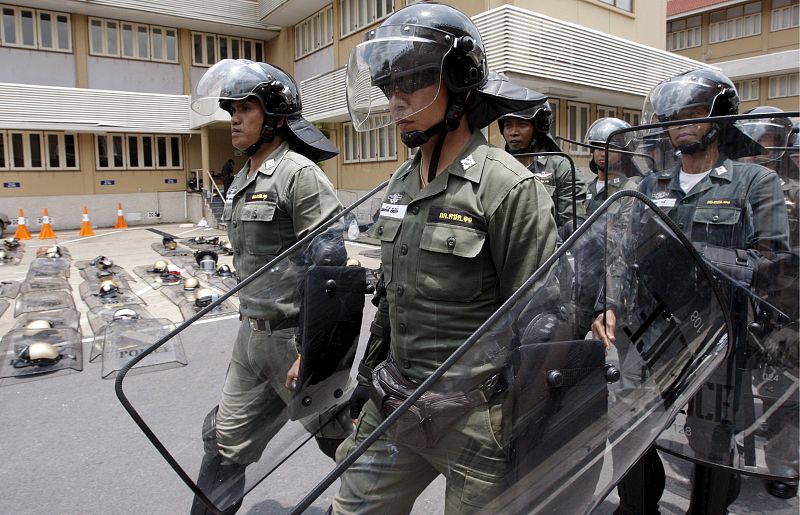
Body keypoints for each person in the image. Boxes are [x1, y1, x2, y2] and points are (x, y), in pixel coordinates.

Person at [333, 3, 557, 513]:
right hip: (396, 401)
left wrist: (525, 426)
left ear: (457, 81)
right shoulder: (400, 183)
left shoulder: (508, 187)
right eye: (388, 86)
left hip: (476, 417)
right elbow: (391, 299)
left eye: (411, 80)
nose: (396, 99)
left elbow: (541, 318)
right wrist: (366, 382)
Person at [592, 68, 791, 515]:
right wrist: (609, 302)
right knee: (628, 430)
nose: (681, 123)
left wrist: (689, 258)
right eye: (673, 116)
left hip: (713, 339)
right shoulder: (650, 185)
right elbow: (621, 252)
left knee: (711, 443)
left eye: (693, 114)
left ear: (718, 118)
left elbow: (774, 269)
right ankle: (638, 506)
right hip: (643, 335)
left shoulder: (754, 183)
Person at [189, 59, 349, 515]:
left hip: (294, 338)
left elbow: (331, 267)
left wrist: (315, 349)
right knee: (223, 444)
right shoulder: (242, 178)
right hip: (251, 338)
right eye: (231, 110)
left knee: (343, 443)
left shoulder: (299, 175)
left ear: (274, 118)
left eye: (246, 108)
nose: (234, 118)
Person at [498, 103, 587, 236]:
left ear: (538, 129)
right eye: (508, 125)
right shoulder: (498, 166)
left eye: (522, 125)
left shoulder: (561, 167)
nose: (513, 132)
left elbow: (572, 224)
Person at [582, 117, 640, 217]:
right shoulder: (585, 189)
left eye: (611, 148)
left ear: (623, 154)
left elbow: (627, 228)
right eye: (599, 148)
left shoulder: (630, 190)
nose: (603, 153)